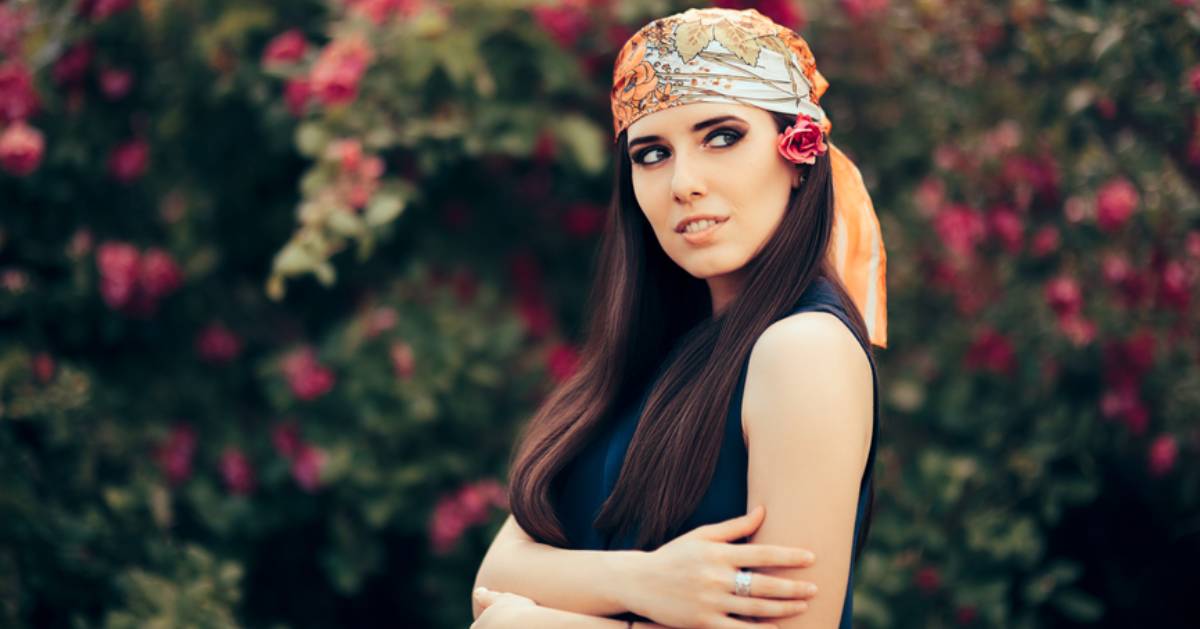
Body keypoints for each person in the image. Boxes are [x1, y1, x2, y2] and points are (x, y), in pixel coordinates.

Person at [471, 6, 887, 629]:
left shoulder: (803, 350)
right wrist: (646, 582)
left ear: (799, 151)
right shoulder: (652, 355)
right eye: (652, 154)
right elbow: (496, 573)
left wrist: (531, 622)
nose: (683, 182)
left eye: (722, 136)